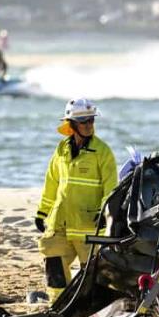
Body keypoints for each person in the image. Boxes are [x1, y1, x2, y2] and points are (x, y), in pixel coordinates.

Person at [34, 98, 117, 303]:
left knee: (92, 275)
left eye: (91, 120)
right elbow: (52, 182)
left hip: (88, 226)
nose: (89, 125)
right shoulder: (62, 149)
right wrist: (43, 211)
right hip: (60, 223)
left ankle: (89, 308)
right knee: (54, 266)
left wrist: (105, 212)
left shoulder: (102, 152)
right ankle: (58, 305)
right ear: (71, 124)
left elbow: (111, 188)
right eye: (83, 121)